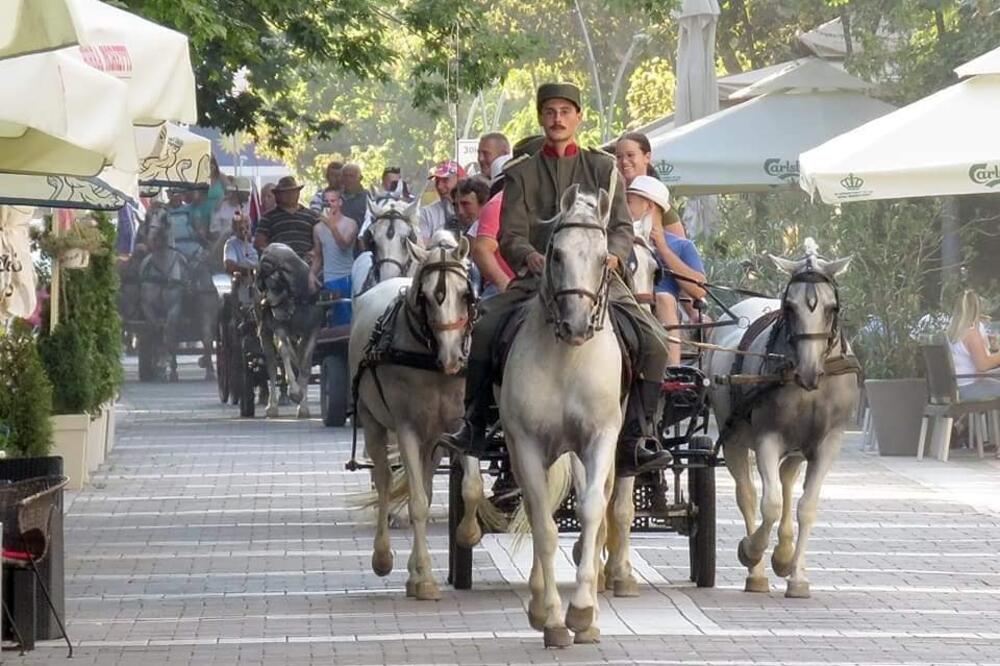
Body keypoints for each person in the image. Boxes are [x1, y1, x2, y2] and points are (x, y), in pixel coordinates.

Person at [439, 82, 673, 476]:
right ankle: (474, 424)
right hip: (539, 278)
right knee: (485, 328)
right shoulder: (520, 172)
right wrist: (528, 255)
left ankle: (638, 435)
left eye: (566, 111)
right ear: (541, 118)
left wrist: (614, 254)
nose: (557, 119)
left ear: (579, 118)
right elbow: (510, 235)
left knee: (654, 341)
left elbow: (619, 225)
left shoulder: (602, 168)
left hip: (598, 278)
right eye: (550, 112)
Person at [626, 176, 706, 365]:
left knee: (664, 298)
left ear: (649, 206)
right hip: (626, 304)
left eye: (629, 202)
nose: (623, 208)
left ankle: (671, 369)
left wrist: (663, 248)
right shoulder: (619, 241)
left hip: (663, 309)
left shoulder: (681, 245)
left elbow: (699, 290)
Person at [947, 290, 1000, 401]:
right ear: (976, 309)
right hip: (969, 386)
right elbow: (983, 365)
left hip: (957, 384)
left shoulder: (952, 330)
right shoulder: (971, 333)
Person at [254, 176, 319, 260]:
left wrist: (314, 252)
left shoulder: (312, 216)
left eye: (293, 192)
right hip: (279, 264)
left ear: (298, 193)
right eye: (286, 192)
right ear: (278, 195)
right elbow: (259, 243)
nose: (290, 195)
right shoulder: (268, 217)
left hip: (307, 264)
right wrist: (273, 255)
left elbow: (321, 240)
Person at [311, 187, 359, 296]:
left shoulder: (350, 223)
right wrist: (312, 274)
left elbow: (344, 245)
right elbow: (318, 257)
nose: (329, 205)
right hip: (329, 279)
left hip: (347, 277)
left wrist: (331, 226)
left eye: (333, 201)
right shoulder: (317, 228)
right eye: (326, 202)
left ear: (340, 202)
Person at [419, 160, 464, 244]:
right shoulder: (427, 213)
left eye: (445, 180)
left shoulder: (475, 210)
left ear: (460, 180)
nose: (439, 186)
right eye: (437, 181)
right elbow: (422, 246)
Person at [223, 211, 259, 305]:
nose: (244, 230)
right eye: (240, 228)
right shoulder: (231, 244)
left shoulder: (259, 241)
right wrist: (252, 271)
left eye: (246, 226)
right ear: (234, 229)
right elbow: (230, 266)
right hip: (244, 280)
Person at [338, 163, 371, 237]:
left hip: (360, 241)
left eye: (352, 176)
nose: (348, 180)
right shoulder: (336, 197)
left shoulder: (368, 197)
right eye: (345, 176)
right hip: (338, 240)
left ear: (360, 178)